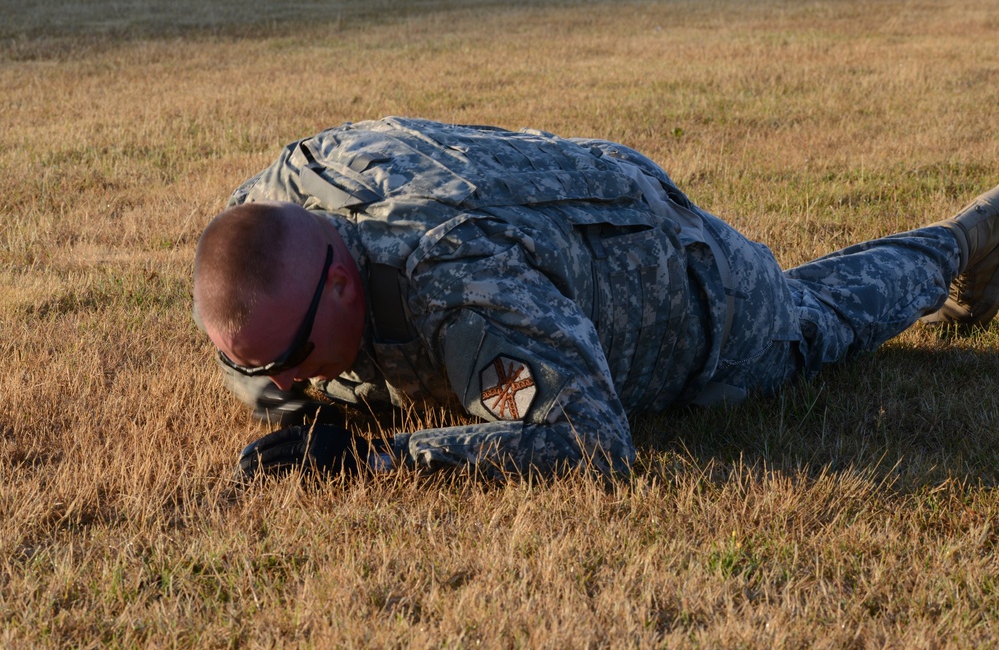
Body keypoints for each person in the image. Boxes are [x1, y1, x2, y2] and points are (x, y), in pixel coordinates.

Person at [192, 117, 999, 479]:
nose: (286, 380)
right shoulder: (270, 207)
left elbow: (591, 443)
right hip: (562, 205)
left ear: (340, 280)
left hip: (680, 276)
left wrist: (381, 457)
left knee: (812, 321)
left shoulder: (458, 282)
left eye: (292, 357)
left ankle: (959, 241)